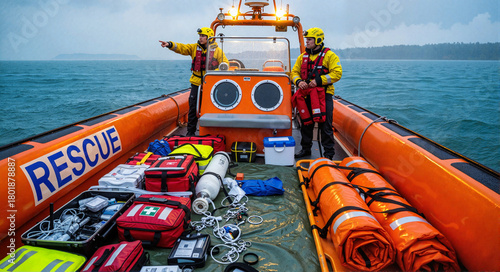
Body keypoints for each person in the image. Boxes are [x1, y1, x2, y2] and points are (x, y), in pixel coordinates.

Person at [159, 27, 228, 136]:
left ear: (209, 37)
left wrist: (216, 74)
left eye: (202, 36)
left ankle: (210, 133)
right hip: (196, 84)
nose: (200, 38)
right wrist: (170, 44)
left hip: (210, 85)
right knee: (193, 109)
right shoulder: (194, 48)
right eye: (200, 36)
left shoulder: (218, 51)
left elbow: (225, 64)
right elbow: (182, 48)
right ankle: (190, 133)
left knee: (211, 109)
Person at [290, 27, 343, 160]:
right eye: (306, 39)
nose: (306, 42)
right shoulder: (302, 57)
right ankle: (306, 149)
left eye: (309, 39)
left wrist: (319, 81)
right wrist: (298, 82)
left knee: (325, 126)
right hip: (307, 95)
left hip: (323, 96)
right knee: (306, 123)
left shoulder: (330, 56)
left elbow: (337, 74)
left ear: (318, 40)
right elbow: (294, 73)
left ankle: (329, 155)